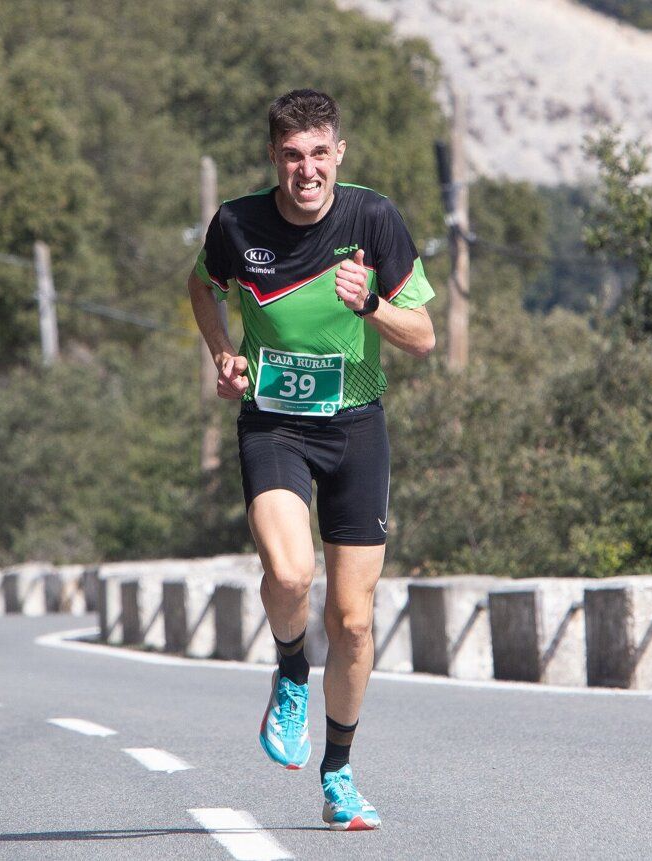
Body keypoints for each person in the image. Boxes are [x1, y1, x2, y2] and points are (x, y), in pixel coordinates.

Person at [186, 88, 436, 831]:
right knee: (291, 574)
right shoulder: (237, 223)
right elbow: (202, 286)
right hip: (273, 424)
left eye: (320, 153)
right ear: (274, 159)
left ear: (339, 153)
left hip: (355, 428)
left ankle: (339, 772)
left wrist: (372, 307)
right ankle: (292, 666)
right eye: (293, 156)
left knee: (354, 621)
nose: (307, 170)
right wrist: (224, 354)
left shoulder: (372, 219)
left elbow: (422, 335)